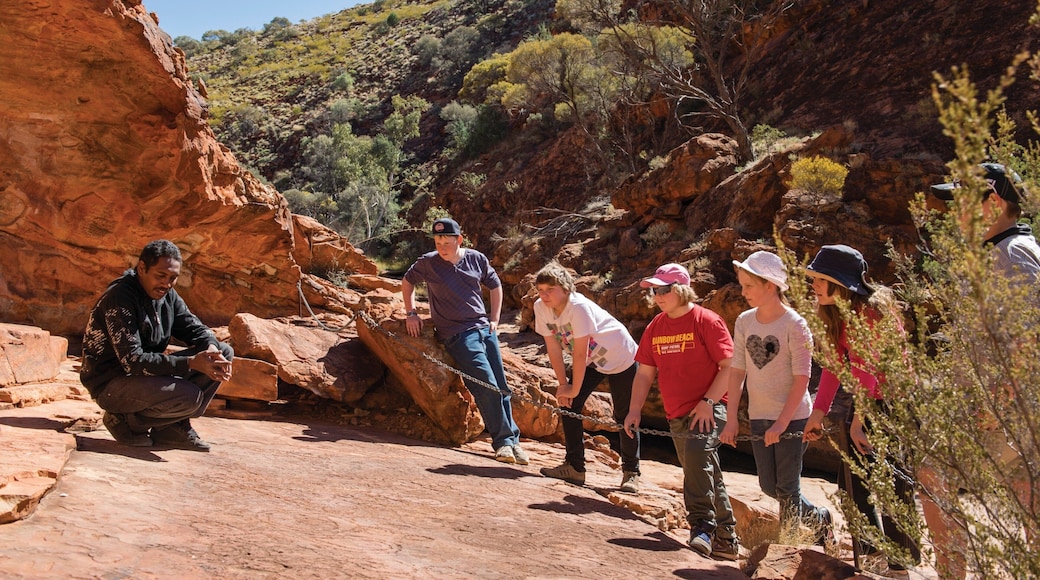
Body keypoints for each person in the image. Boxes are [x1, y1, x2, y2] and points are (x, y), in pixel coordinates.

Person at [923, 163, 1040, 578]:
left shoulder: (1013, 254)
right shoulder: (1000, 252)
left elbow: (1030, 336)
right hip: (1003, 409)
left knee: (933, 473)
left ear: (992, 202)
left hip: (1008, 411)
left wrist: (997, 403)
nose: (954, 213)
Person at [801, 244, 920, 569]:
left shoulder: (871, 311)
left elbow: (868, 368)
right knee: (854, 483)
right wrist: (817, 414)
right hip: (869, 404)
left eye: (818, 279)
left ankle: (898, 565)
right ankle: (870, 557)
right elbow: (834, 367)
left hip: (893, 407)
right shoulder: (837, 312)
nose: (813, 286)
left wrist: (858, 422)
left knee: (893, 485)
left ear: (837, 281)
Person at [623, 263, 740, 561]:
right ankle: (726, 539)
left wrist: (709, 402)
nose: (657, 296)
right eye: (654, 291)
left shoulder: (707, 321)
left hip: (711, 407)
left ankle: (701, 526)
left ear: (681, 289)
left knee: (699, 456)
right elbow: (644, 373)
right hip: (676, 412)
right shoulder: (656, 326)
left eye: (664, 290)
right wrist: (634, 410)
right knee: (702, 470)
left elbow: (730, 368)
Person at [80, 239, 234, 451]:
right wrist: (190, 363)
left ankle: (171, 429)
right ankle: (124, 421)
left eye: (173, 278)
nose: (167, 283)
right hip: (111, 383)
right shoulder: (119, 299)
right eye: (161, 275)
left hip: (144, 379)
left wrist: (210, 347)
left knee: (223, 350)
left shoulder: (167, 294)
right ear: (142, 268)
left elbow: (195, 327)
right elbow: (133, 361)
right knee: (188, 396)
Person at [720, 251, 831, 540]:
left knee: (787, 487)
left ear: (770, 285)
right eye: (742, 285)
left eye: (749, 286)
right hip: (759, 415)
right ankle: (820, 518)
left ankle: (788, 544)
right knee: (769, 486)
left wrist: (782, 423)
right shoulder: (744, 321)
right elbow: (737, 372)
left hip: (793, 419)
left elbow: (802, 378)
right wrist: (731, 419)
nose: (743, 292)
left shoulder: (795, 324)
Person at [401, 218, 528, 465]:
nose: (442, 246)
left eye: (447, 241)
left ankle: (513, 442)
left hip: (484, 330)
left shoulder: (476, 259)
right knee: (486, 383)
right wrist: (411, 313)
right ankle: (502, 442)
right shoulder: (428, 263)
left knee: (501, 386)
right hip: (457, 335)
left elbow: (495, 284)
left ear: (459, 240)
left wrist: (495, 319)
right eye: (438, 241)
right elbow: (407, 282)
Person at [533, 262, 641, 491]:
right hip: (593, 360)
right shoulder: (541, 307)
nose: (544, 295)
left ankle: (631, 472)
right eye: (540, 290)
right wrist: (564, 386)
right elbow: (553, 347)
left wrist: (572, 387)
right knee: (568, 403)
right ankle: (574, 467)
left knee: (624, 415)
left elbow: (579, 352)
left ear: (564, 288)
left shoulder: (578, 307)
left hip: (620, 357)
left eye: (549, 290)